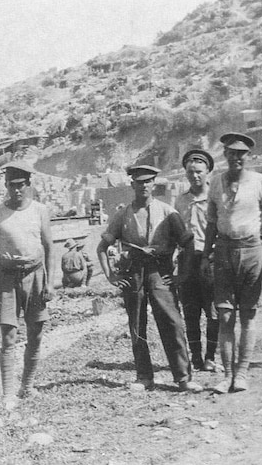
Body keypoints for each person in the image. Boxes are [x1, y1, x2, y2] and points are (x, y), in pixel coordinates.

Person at [96, 165, 201, 392]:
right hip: (134, 272)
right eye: (139, 182)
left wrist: (182, 274)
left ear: (154, 183)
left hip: (160, 271)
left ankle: (183, 377)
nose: (143, 186)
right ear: (132, 184)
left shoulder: (167, 212)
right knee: (136, 324)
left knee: (172, 322)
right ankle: (144, 377)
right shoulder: (123, 215)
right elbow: (102, 247)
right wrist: (111, 276)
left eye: (148, 181)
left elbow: (188, 243)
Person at [203, 133, 262, 394]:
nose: (236, 158)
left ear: (248, 157)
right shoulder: (215, 182)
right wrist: (206, 256)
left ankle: (243, 373)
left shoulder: (260, 181)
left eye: (242, 154)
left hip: (252, 251)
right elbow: (212, 224)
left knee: (248, 314)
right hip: (224, 252)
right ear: (225, 155)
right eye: (231, 153)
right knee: (225, 315)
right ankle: (227, 375)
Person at [0, 161, 54, 410]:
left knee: (36, 332)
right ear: (6, 186)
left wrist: (50, 282)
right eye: (12, 185)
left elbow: (49, 247)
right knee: (9, 335)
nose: (17, 190)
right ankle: (8, 393)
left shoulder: (40, 211)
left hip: (35, 276)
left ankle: (28, 385)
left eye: (21, 185)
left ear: (28, 185)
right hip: (7, 278)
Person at [175, 149, 219, 372]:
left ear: (208, 172)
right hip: (187, 261)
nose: (195, 176)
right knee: (190, 310)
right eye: (190, 172)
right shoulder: (180, 200)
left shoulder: (215, 196)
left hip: (210, 259)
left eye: (199, 171)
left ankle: (211, 356)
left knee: (213, 310)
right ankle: (196, 358)